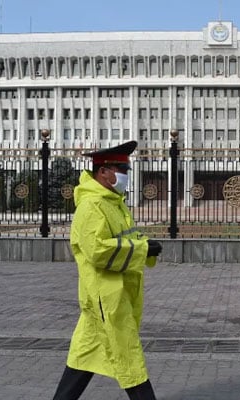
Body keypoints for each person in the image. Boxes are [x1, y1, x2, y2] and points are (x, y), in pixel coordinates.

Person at [52, 140, 163, 400]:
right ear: (103, 172)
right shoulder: (92, 206)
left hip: (111, 294)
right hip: (106, 297)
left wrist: (145, 245)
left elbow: (124, 238)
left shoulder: (113, 202)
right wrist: (142, 250)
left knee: (84, 355)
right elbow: (97, 250)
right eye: (121, 169)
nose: (125, 174)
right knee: (129, 359)